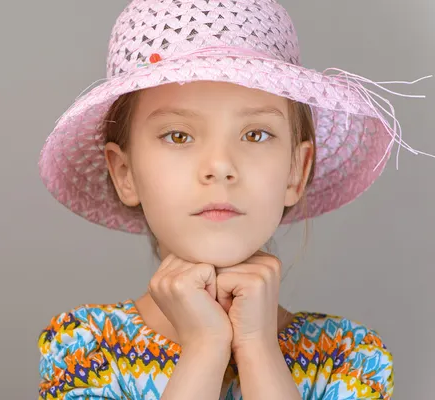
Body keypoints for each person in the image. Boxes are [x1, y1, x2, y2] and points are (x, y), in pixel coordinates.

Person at [36, 0, 432, 398]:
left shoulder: (350, 359)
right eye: (179, 136)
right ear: (124, 173)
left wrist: (258, 348)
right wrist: (204, 349)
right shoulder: (84, 349)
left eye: (255, 134)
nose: (221, 167)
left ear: (297, 169)